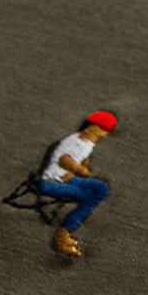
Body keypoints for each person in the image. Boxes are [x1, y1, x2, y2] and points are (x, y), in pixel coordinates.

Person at [39, 110, 117, 257]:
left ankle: (64, 233)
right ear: (92, 126)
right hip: (53, 181)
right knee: (92, 195)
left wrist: (83, 167)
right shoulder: (75, 140)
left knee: (101, 189)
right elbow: (64, 161)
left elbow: (79, 162)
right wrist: (81, 170)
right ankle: (62, 236)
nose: (103, 134)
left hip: (65, 178)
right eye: (102, 130)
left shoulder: (88, 143)